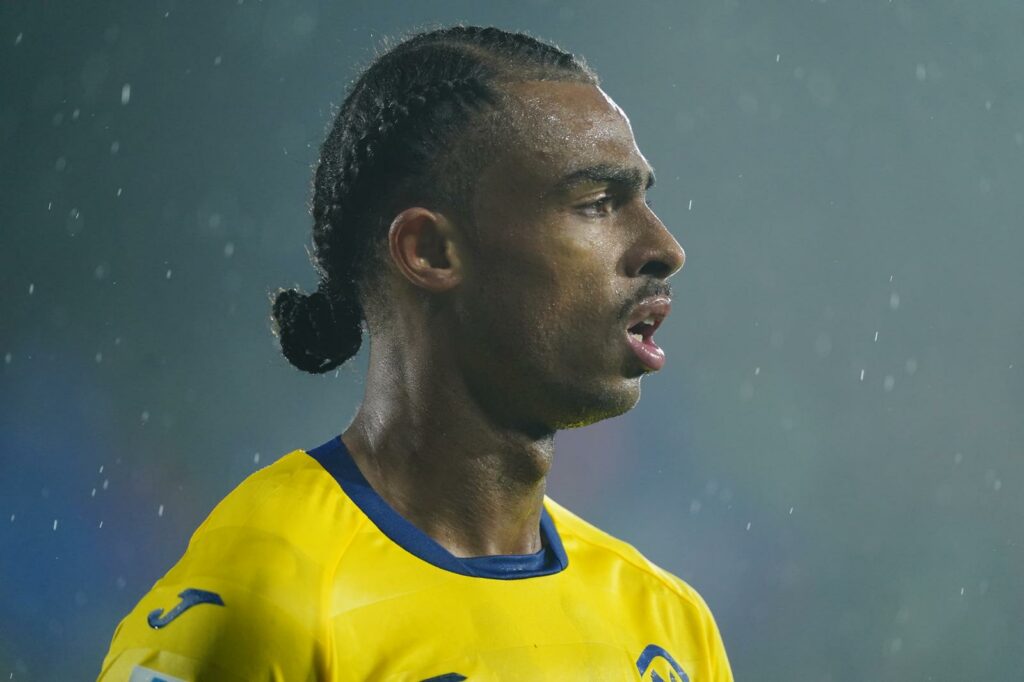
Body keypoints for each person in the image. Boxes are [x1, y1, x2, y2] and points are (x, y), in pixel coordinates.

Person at [98, 25, 733, 681]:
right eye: (598, 204)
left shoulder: (668, 621)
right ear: (430, 251)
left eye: (643, 199)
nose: (664, 248)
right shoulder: (262, 598)